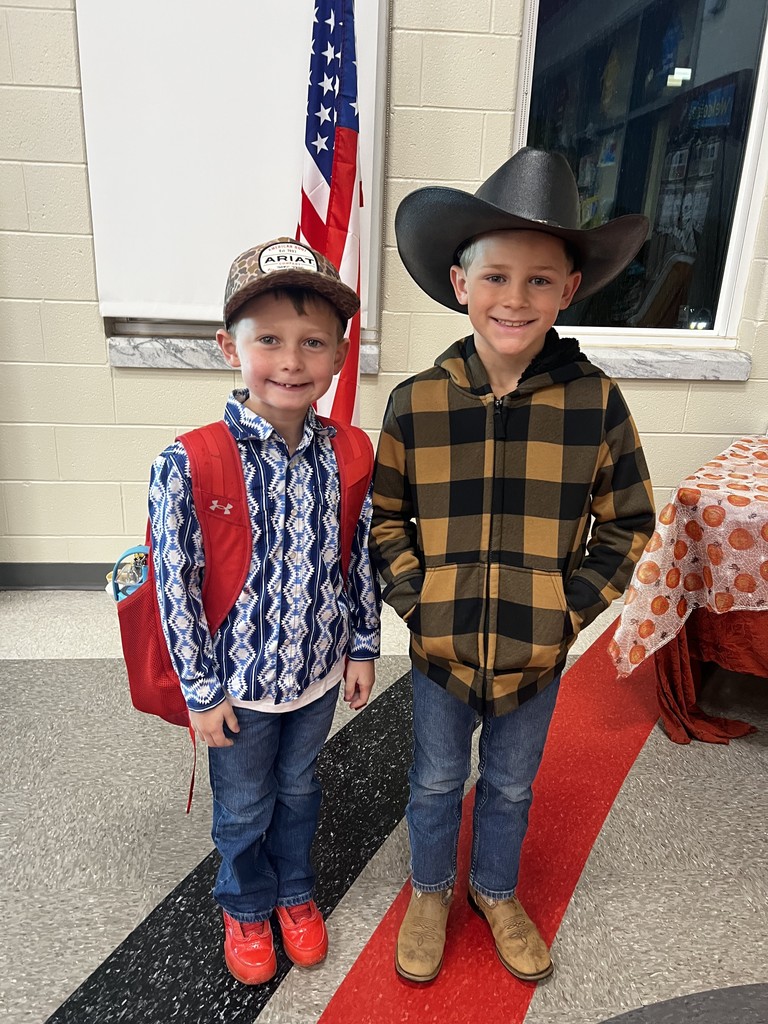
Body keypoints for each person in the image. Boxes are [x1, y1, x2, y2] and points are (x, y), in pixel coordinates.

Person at [370, 148, 655, 984]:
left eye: (540, 281)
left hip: (537, 654)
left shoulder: (595, 403)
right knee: (433, 780)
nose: (515, 299)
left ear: (570, 290)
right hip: (439, 651)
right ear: (461, 283)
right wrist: (421, 605)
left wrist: (566, 613)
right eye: (496, 277)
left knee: (509, 786)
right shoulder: (417, 402)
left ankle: (495, 890)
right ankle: (431, 889)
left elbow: (628, 522)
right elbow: (386, 518)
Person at [149, 237, 380, 985]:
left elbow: (359, 557)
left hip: (314, 676)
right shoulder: (187, 462)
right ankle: (244, 904)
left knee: (301, 789)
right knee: (245, 804)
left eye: (313, 342)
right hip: (237, 690)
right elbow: (175, 589)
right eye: (269, 340)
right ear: (229, 347)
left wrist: (363, 646)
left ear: (339, 357)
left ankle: (294, 891)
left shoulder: (350, 452)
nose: (291, 360)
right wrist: (201, 693)